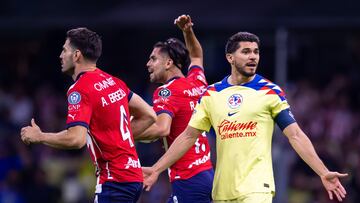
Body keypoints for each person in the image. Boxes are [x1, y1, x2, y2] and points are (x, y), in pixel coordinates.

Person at [142, 31, 349, 203]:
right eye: (246, 52)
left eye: (256, 52)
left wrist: (322, 172)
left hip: (256, 190)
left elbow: (295, 135)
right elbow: (188, 136)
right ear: (230, 58)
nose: (253, 57)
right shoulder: (212, 94)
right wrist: (156, 169)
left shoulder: (270, 91)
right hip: (221, 191)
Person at [20, 27, 156, 203]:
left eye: (64, 50)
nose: (61, 56)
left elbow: (76, 139)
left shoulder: (80, 89)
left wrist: (40, 137)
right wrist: (115, 137)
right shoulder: (114, 82)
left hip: (114, 181)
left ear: (76, 55)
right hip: (133, 176)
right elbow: (150, 115)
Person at [137, 15, 213, 203]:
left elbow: (162, 128)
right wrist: (188, 31)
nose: (148, 64)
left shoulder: (165, 92)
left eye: (153, 59)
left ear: (168, 63)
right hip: (205, 173)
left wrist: (124, 134)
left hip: (188, 178)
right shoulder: (197, 81)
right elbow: (196, 55)